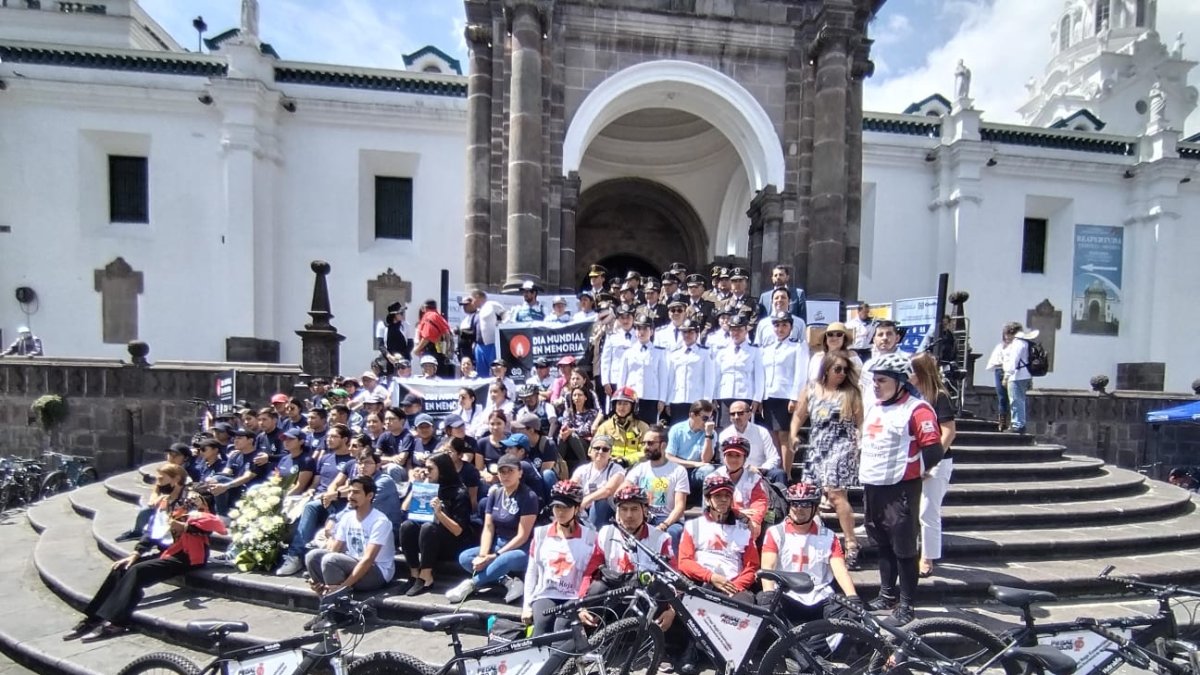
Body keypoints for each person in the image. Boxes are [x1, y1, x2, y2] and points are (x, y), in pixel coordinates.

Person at [63, 489, 225, 642]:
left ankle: (118, 622)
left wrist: (184, 526)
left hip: (188, 558)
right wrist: (136, 553)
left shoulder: (206, 516)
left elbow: (209, 527)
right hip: (169, 553)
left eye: (195, 498)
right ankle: (93, 618)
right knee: (122, 567)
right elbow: (154, 533)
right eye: (189, 497)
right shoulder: (177, 511)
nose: (190, 500)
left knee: (138, 571)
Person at [860, 353, 945, 625]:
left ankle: (907, 604)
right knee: (882, 544)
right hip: (873, 485)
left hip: (901, 488)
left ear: (899, 381)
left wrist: (914, 473)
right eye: (874, 380)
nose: (876, 385)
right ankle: (886, 595)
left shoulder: (917, 409)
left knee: (904, 549)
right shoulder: (876, 406)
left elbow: (933, 449)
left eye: (882, 380)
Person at [677, 474, 759, 673]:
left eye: (727, 495)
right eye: (717, 496)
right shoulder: (693, 525)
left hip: (733, 583)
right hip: (704, 580)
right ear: (708, 499)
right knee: (691, 598)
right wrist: (711, 577)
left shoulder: (744, 528)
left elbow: (752, 566)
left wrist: (735, 585)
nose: (723, 499)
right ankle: (693, 650)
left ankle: (734, 657)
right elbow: (684, 561)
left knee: (744, 603)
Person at [791, 350, 864, 569]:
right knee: (811, 493)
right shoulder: (812, 389)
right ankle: (812, 539)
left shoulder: (851, 392)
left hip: (842, 445)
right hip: (817, 446)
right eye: (838, 369)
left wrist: (860, 441)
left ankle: (851, 542)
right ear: (827, 370)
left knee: (835, 492)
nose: (842, 373)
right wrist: (794, 434)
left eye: (845, 369)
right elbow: (799, 415)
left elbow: (861, 420)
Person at [757, 483, 861, 624]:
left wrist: (852, 597)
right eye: (795, 504)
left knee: (848, 619)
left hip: (820, 595)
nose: (799, 509)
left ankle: (814, 644)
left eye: (805, 504)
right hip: (787, 595)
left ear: (815, 508)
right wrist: (768, 593)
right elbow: (768, 567)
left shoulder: (828, 536)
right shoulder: (775, 533)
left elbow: (840, 570)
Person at [447, 454, 539, 604]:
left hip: (522, 548)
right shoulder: (495, 493)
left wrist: (495, 555)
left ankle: (471, 584)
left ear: (520, 473)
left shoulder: (529, 496)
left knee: (504, 559)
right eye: (502, 471)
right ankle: (505, 580)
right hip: (498, 543)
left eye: (511, 471)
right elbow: (488, 527)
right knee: (465, 558)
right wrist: (483, 554)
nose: (506, 475)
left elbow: (523, 535)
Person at [521, 481, 605, 636]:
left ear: (577, 509)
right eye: (557, 507)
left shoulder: (591, 538)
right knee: (542, 626)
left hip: (574, 597)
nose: (560, 512)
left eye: (566, 508)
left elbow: (592, 576)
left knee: (562, 627)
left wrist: (583, 604)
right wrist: (526, 606)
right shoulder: (540, 534)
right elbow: (532, 572)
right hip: (546, 594)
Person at [275, 424, 356, 576]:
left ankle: (295, 556)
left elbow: (348, 486)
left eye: (334, 437)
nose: (329, 440)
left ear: (345, 439)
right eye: (328, 436)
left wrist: (330, 494)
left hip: (339, 499)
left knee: (311, 507)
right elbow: (316, 482)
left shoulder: (352, 460)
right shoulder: (325, 458)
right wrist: (311, 490)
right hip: (319, 495)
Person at [305, 476, 396, 598]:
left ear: (369, 496)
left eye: (356, 492)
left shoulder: (380, 521)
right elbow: (334, 550)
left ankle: (337, 605)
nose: (350, 496)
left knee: (331, 560)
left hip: (377, 572)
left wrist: (343, 587)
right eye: (350, 491)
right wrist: (316, 579)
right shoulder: (347, 517)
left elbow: (368, 560)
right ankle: (328, 601)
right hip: (352, 563)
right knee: (313, 556)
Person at [398, 452, 472, 597]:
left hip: (451, 542)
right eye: (425, 468)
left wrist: (439, 514)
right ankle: (414, 574)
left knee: (428, 527)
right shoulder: (429, 487)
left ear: (442, 470)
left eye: (430, 469)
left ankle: (426, 576)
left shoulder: (459, 492)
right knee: (407, 526)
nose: (426, 472)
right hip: (427, 541)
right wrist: (418, 487)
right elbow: (405, 509)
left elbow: (458, 531)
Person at [911, 352, 957, 579]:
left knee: (928, 511)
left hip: (936, 460)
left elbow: (948, 430)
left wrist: (933, 457)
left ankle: (927, 557)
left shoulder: (938, 396)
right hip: (913, 459)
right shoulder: (911, 397)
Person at [623, 426, 689, 554]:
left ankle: (670, 570)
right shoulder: (639, 468)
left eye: (650, 443)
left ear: (663, 445)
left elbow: (680, 507)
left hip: (668, 519)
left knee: (672, 533)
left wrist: (664, 525)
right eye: (644, 443)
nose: (645, 447)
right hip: (643, 517)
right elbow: (623, 490)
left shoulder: (678, 470)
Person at [761, 311, 810, 461]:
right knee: (772, 434)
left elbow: (800, 374)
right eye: (776, 325)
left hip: (786, 396)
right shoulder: (767, 348)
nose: (780, 329)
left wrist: (795, 398)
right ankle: (777, 470)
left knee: (785, 435)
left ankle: (787, 474)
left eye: (784, 325)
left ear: (791, 327)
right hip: (769, 396)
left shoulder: (797, 347)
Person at [709, 436, 769, 538]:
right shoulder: (712, 478)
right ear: (724, 457)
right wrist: (738, 513)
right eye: (729, 455)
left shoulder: (754, 478)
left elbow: (759, 501)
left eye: (737, 455)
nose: (733, 459)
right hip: (720, 523)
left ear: (744, 458)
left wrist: (755, 521)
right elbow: (710, 508)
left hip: (747, 523)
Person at [617, 312, 668, 425]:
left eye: (645, 329)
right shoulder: (628, 352)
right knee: (631, 428)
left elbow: (663, 377)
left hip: (651, 397)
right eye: (639, 328)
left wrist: (662, 399)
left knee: (650, 428)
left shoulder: (659, 353)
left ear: (652, 331)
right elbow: (622, 377)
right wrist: (621, 397)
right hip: (632, 397)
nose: (642, 332)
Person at [712, 314, 765, 422]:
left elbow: (759, 377)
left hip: (745, 396)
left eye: (739, 330)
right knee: (725, 432)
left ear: (746, 331)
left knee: (744, 431)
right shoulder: (722, 351)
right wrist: (713, 396)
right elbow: (716, 375)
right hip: (724, 395)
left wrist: (757, 398)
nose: (736, 333)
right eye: (733, 330)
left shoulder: (755, 351)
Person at [717, 400, 784, 484]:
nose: (736, 417)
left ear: (749, 414)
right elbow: (724, 461)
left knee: (779, 474)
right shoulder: (724, 435)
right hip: (735, 472)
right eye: (733, 414)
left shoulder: (761, 431)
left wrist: (761, 470)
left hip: (761, 471)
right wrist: (745, 469)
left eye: (740, 413)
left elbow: (774, 458)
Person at [663, 318, 715, 425]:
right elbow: (670, 379)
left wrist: (707, 402)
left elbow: (709, 380)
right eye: (684, 332)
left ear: (697, 333)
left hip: (697, 401)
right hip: (677, 399)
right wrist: (667, 402)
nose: (687, 335)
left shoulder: (704, 353)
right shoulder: (674, 354)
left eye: (691, 332)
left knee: (697, 429)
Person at [207, 429, 270, 516]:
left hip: (249, 489)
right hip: (235, 487)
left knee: (218, 480)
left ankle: (222, 515)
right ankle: (219, 514)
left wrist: (225, 486)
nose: (235, 440)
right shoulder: (235, 455)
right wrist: (211, 480)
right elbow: (226, 473)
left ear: (250, 440)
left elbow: (247, 477)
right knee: (216, 480)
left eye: (239, 438)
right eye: (235, 438)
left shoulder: (258, 456)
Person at [665, 399, 719, 496]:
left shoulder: (711, 432)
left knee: (709, 470)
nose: (709, 422)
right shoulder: (677, 429)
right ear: (692, 415)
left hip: (696, 471)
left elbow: (706, 460)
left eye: (711, 418)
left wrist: (708, 435)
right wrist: (694, 464)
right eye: (705, 418)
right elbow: (669, 457)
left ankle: (705, 507)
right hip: (678, 468)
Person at [570, 435, 626, 529]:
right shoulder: (582, 470)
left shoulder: (617, 470)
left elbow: (608, 490)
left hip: (607, 512)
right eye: (597, 448)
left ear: (610, 453)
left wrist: (587, 499)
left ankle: (593, 535)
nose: (600, 452)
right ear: (589, 451)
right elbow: (572, 487)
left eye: (605, 449)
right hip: (583, 509)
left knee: (600, 501)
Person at [593, 387, 649, 466]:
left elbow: (647, 452)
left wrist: (625, 460)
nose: (622, 407)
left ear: (633, 407)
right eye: (619, 403)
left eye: (626, 404)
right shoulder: (605, 427)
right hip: (609, 467)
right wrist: (607, 459)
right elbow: (592, 450)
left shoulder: (643, 427)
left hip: (635, 468)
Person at [1002, 325, 1037, 434]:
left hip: (1017, 376)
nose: (1006, 338)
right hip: (1025, 375)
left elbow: (1013, 360)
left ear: (1010, 333)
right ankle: (1019, 423)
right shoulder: (1025, 342)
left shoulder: (1017, 343)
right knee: (1019, 400)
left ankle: (1018, 425)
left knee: (1016, 400)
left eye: (1006, 335)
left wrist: (1007, 375)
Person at [600, 304, 637, 403]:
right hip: (615, 379)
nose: (625, 321)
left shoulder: (640, 335)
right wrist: (605, 381)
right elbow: (605, 360)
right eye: (622, 318)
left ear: (633, 318)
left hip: (634, 379)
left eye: (628, 317)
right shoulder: (612, 337)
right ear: (618, 319)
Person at [558, 385, 600, 469]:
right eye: (574, 395)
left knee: (572, 436)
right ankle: (559, 464)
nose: (577, 397)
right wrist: (564, 431)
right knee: (561, 436)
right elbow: (565, 425)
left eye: (580, 395)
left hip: (585, 442)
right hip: (569, 439)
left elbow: (586, 429)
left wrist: (571, 431)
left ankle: (584, 464)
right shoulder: (568, 412)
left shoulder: (592, 413)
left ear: (585, 397)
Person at [985, 325, 1015, 431]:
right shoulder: (1000, 346)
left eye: (1010, 335)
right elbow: (994, 360)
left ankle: (1012, 421)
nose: (1008, 337)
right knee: (1002, 397)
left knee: (1011, 397)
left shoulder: (1016, 347)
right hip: (999, 371)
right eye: (1006, 335)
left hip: (1011, 372)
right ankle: (1002, 422)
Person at [413, 300, 453, 374]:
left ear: (425, 308)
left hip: (431, 352)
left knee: (429, 376)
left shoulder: (430, 316)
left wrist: (417, 350)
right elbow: (447, 334)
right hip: (440, 352)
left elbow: (427, 336)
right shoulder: (439, 317)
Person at [469, 289, 505, 369]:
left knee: (494, 369)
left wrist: (501, 327)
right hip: (479, 346)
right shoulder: (476, 312)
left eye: (472, 299)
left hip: (492, 344)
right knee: (481, 373)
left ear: (477, 297)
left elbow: (505, 316)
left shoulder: (492, 304)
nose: (471, 302)